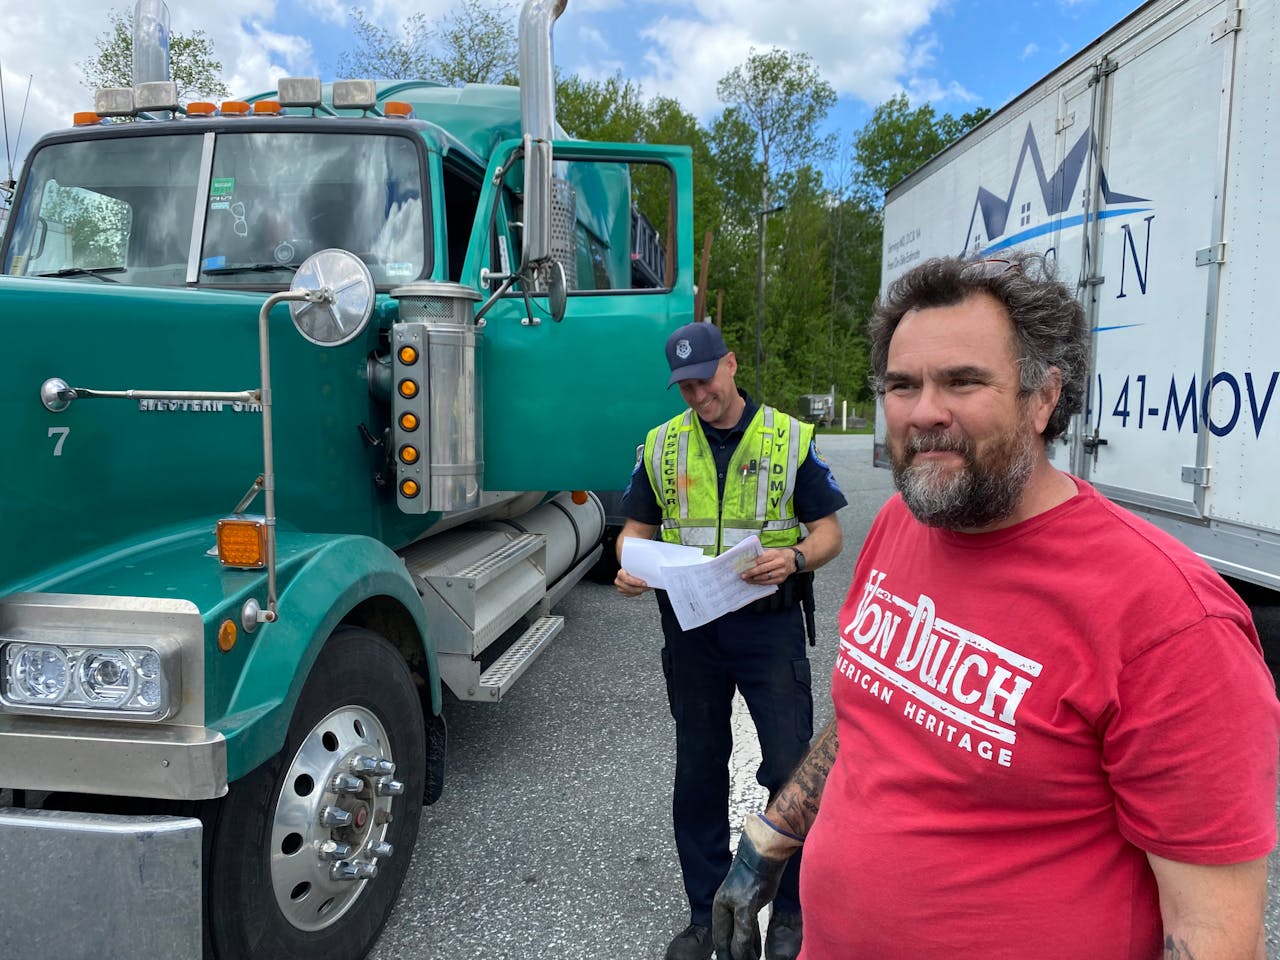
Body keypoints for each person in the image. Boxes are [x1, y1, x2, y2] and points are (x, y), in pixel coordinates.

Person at [712, 253, 1280, 960]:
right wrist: (768, 841)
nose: (924, 413)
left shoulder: (1169, 620)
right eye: (902, 384)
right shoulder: (902, 525)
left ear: (1043, 397)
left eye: (962, 381)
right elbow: (873, 713)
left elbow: (1214, 936)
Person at [615, 321, 847, 960]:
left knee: (788, 769)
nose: (696, 395)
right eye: (684, 386)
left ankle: (793, 917)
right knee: (697, 768)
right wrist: (630, 564)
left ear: (732, 365)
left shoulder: (786, 439)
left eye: (704, 379)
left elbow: (828, 533)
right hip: (691, 631)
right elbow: (633, 530)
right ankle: (704, 915)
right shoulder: (662, 447)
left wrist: (796, 558)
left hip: (768, 629)